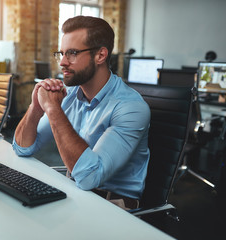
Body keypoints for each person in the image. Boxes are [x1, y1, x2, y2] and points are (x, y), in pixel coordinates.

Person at [12, 16, 150, 210]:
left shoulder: (130, 107)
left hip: (114, 208)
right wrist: (35, 107)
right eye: (61, 54)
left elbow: (89, 177)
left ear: (101, 55)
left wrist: (52, 109)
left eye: (72, 53)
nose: (62, 63)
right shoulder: (69, 96)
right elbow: (23, 148)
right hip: (75, 194)